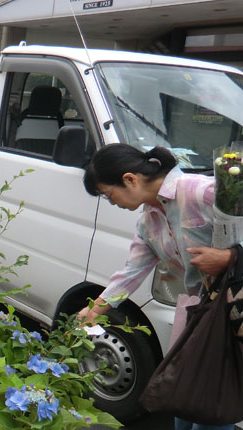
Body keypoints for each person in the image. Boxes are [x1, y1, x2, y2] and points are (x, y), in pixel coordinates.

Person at [77, 144, 236, 430]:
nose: (113, 204)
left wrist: (229, 257)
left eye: (110, 196)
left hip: (230, 314)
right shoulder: (148, 220)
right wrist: (97, 307)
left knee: (207, 406)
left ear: (129, 179)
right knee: (181, 397)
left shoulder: (201, 191)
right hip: (199, 314)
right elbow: (133, 269)